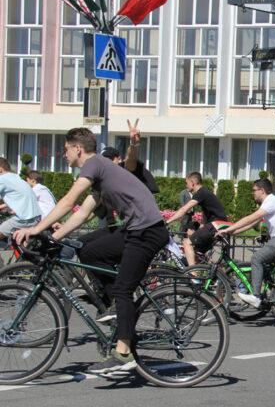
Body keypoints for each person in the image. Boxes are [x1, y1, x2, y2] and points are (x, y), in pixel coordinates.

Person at [13, 127, 168, 374]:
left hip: (148, 231)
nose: (64, 155)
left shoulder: (94, 164)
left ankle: (123, 354)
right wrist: (52, 236)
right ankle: (111, 305)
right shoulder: (101, 174)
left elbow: (68, 201)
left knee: (124, 289)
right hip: (133, 230)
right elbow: (83, 213)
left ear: (78, 148)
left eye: (65, 150)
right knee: (87, 249)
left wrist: (35, 229)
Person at [218, 179, 275, 309]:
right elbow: (253, 223)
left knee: (257, 258)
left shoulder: (270, 201)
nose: (252, 194)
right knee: (265, 265)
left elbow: (250, 218)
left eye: (254, 190)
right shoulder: (270, 202)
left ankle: (256, 297)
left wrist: (228, 229)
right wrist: (232, 233)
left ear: (262, 191)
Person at [164, 172, 228, 266]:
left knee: (187, 243)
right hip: (218, 224)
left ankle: (193, 277)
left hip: (216, 224)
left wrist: (167, 221)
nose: (186, 186)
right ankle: (218, 276)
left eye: (187, 183)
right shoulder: (204, 192)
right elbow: (207, 213)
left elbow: (184, 209)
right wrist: (201, 226)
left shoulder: (201, 192)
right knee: (196, 252)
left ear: (192, 182)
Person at [99, 119, 159, 194]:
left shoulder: (124, 168)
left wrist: (134, 143)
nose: (107, 162)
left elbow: (131, 159)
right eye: (104, 160)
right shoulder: (105, 176)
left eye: (110, 159)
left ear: (119, 159)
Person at [0, 157, 42, 241]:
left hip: (24, 219)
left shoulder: (2, 179)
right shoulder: (16, 178)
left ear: (0, 169)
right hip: (36, 217)